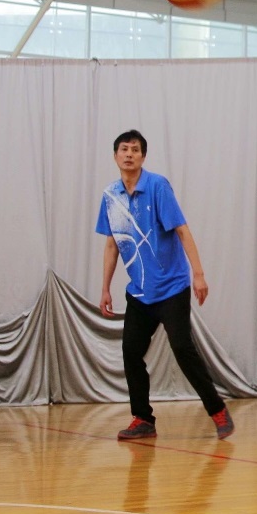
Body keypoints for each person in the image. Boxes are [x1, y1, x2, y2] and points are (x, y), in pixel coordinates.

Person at [96, 129, 233, 441]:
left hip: (172, 286)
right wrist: (105, 288)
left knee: (182, 348)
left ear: (143, 156)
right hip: (140, 292)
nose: (129, 154)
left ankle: (217, 410)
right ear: (115, 155)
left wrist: (198, 274)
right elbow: (111, 245)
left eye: (135, 150)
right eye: (124, 149)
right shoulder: (110, 196)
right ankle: (143, 419)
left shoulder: (157, 186)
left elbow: (182, 230)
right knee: (130, 351)